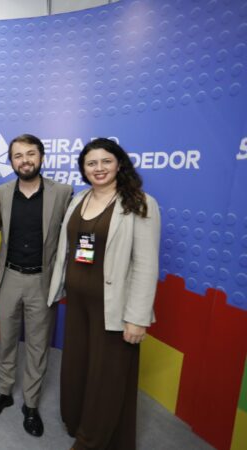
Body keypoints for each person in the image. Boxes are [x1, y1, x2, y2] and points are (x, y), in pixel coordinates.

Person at [48, 138, 161, 449]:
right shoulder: (78, 200)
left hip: (114, 305)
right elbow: (67, 250)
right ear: (84, 169)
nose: (99, 168)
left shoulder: (139, 202)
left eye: (106, 161)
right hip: (78, 303)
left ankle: (92, 440)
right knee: (79, 366)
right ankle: (78, 421)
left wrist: (137, 318)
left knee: (108, 375)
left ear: (119, 164)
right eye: (91, 163)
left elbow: (146, 265)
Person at [0, 134, 72, 437]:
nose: (25, 160)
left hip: (42, 282)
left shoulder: (63, 193)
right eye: (18, 156)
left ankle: (31, 404)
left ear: (41, 157)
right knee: (5, 341)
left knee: (37, 346)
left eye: (30, 154)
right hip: (9, 278)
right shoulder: (0, 193)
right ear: (11, 162)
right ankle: (4, 393)